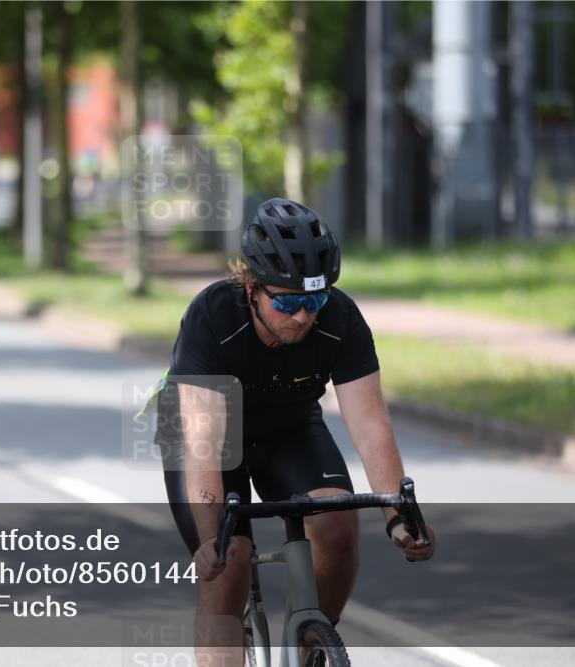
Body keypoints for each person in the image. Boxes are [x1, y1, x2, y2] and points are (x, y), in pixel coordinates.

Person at [158, 197, 436, 663]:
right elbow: (203, 443)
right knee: (229, 567)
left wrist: (398, 516)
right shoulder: (213, 316)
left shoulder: (341, 320)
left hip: (288, 427)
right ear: (250, 286)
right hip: (206, 436)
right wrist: (212, 539)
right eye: (287, 301)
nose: (304, 316)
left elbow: (369, 425)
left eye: (314, 299)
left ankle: (308, 646)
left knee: (338, 526)